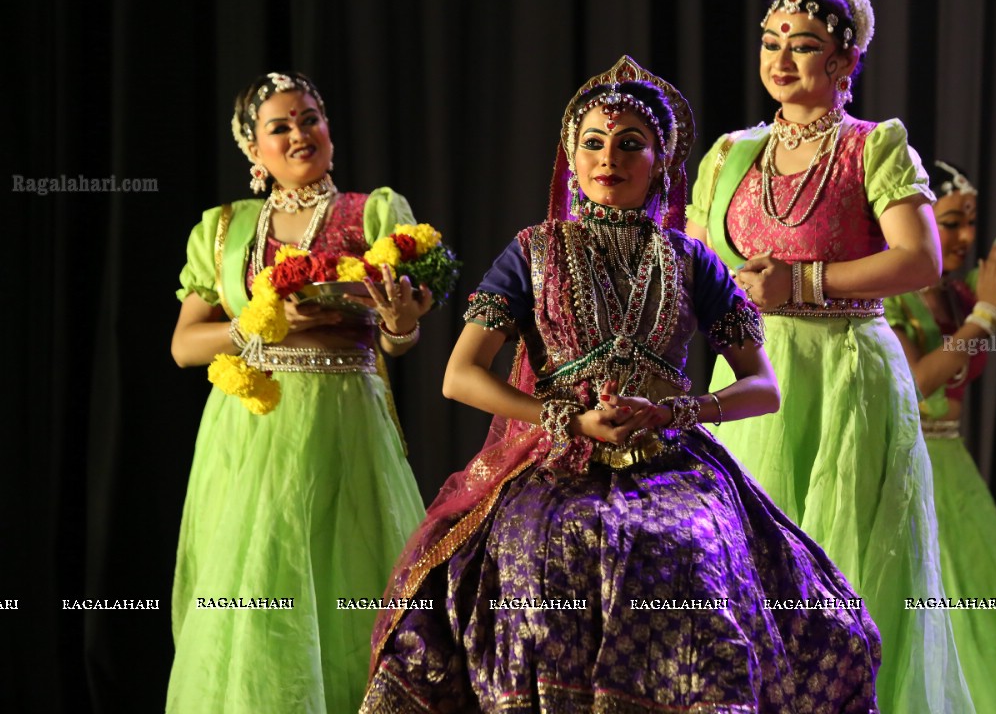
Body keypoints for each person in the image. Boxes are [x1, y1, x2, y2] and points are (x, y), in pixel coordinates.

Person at [361, 57, 882, 713]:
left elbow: (763, 386)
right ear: (571, 159)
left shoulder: (692, 260)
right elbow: (461, 375)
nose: (611, 158)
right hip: (554, 464)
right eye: (594, 143)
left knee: (694, 550)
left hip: (673, 464)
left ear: (661, 162)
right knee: (544, 550)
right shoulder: (533, 250)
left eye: (631, 144)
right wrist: (565, 421)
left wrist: (681, 411)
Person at [686, 0, 975, 712]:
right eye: (771, 42)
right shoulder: (730, 155)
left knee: (843, 556)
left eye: (804, 46)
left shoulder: (873, 146)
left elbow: (919, 259)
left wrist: (804, 283)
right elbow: (690, 258)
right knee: (744, 560)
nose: (781, 59)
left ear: (846, 62)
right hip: (752, 373)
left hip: (848, 369)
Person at [169, 71, 428, 712]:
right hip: (252, 426)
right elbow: (183, 345)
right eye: (279, 127)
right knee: (258, 581)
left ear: (329, 131)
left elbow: (401, 337)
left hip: (346, 422)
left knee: (351, 582)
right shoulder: (226, 231)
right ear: (254, 151)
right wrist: (259, 322)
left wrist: (398, 319)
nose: (298, 134)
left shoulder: (372, 213)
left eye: (310, 118)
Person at [885, 160, 996, 712]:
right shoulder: (890, 296)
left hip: (956, 475)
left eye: (971, 222)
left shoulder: (964, 293)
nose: (967, 236)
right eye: (951, 222)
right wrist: (984, 319)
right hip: (907, 471)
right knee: (932, 608)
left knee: (987, 611)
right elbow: (915, 383)